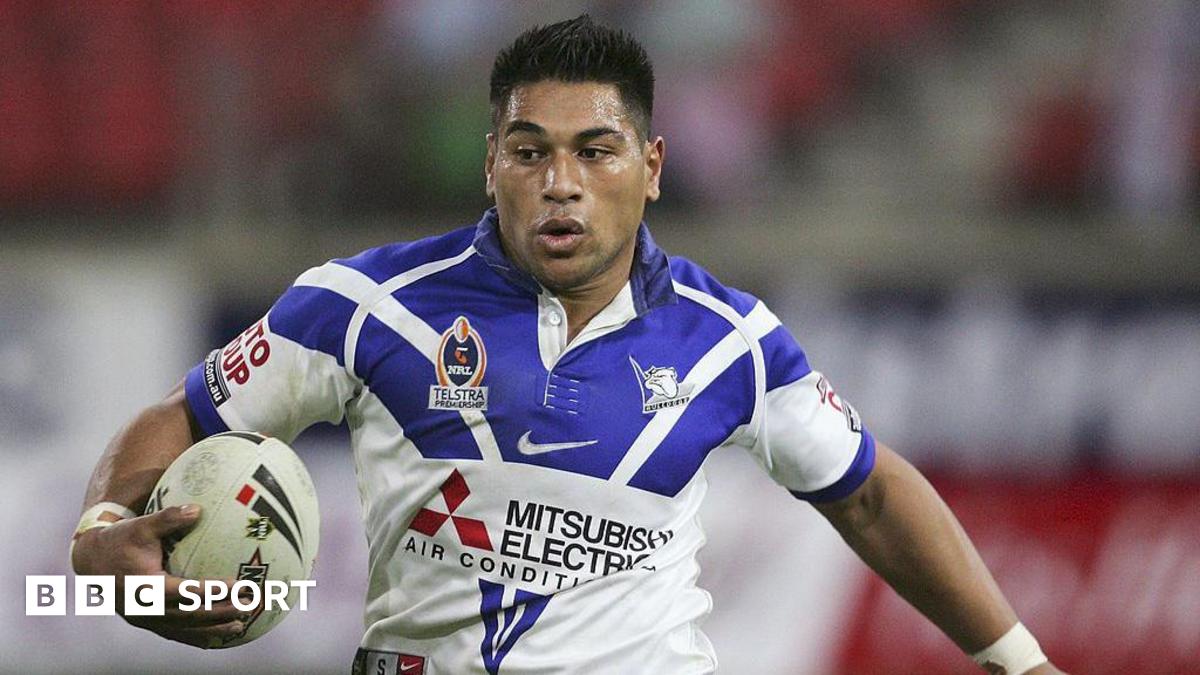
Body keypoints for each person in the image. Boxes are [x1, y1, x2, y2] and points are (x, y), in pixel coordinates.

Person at [72, 15, 1063, 675]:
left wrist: (1021, 662)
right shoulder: (367, 304)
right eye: (529, 151)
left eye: (595, 150)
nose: (560, 182)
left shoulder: (731, 342)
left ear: (652, 166)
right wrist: (105, 523)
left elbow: (872, 491)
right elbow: (185, 416)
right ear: (490, 164)